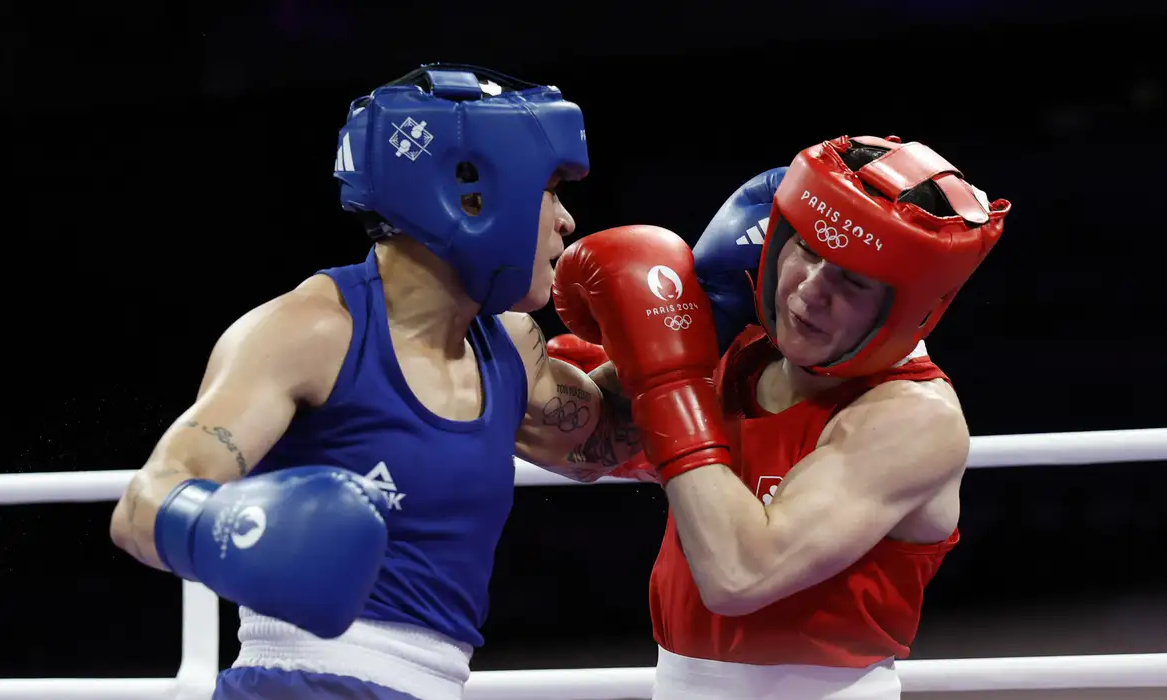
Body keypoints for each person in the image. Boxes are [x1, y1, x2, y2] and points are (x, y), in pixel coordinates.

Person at [108, 63, 642, 700]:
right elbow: (145, 505)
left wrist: (707, 327)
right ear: (472, 194)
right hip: (293, 684)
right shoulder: (312, 332)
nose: (567, 223)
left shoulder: (509, 344)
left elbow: (603, 439)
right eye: (552, 191)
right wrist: (241, 530)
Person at [552, 134, 1010, 699]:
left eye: (853, 279)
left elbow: (740, 574)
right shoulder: (737, 353)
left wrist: (669, 379)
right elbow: (569, 438)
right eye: (810, 251)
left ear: (912, 306)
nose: (810, 292)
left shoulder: (912, 417)